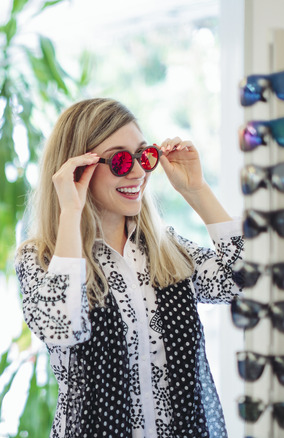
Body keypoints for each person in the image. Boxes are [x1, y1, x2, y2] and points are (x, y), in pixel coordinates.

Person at [16, 98, 243, 438]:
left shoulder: (167, 250)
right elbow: (61, 329)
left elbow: (245, 282)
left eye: (143, 155)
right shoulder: (42, 258)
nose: (138, 172)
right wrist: (70, 213)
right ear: (77, 168)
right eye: (121, 160)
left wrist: (196, 190)